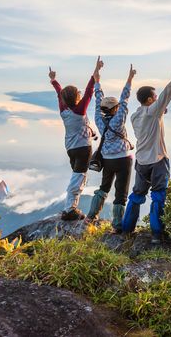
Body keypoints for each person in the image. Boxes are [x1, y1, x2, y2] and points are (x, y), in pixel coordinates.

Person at [121, 58, 171, 243]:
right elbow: (166, 94)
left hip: (141, 162)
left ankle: (127, 229)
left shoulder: (136, 116)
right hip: (158, 159)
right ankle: (156, 234)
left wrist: (161, 111)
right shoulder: (153, 111)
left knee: (137, 195)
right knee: (158, 196)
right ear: (150, 100)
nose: (156, 99)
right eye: (154, 97)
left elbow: (156, 110)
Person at [49, 57, 102, 220]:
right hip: (83, 149)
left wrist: (53, 80)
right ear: (77, 97)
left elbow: (59, 93)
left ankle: (71, 207)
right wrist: (95, 73)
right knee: (79, 177)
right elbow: (88, 91)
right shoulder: (79, 110)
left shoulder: (63, 110)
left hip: (71, 149)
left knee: (78, 175)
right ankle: (70, 209)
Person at [86, 61, 136, 232]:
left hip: (107, 159)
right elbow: (125, 98)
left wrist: (97, 79)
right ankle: (116, 225)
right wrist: (130, 78)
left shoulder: (98, 119)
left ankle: (91, 216)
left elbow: (97, 98)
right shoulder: (118, 118)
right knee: (121, 192)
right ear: (116, 109)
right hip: (123, 159)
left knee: (104, 187)